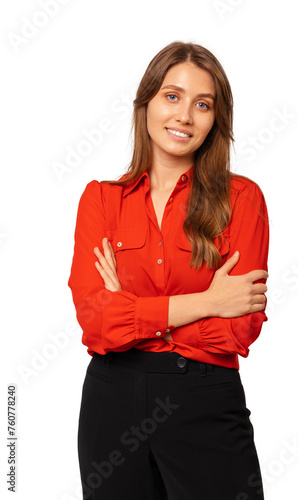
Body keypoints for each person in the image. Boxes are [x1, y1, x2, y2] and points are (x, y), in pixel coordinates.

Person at [68, 40, 269, 500]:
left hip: (205, 402)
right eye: (172, 96)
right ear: (146, 104)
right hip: (111, 403)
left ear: (216, 119)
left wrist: (133, 315)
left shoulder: (242, 201)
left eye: (203, 104)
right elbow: (97, 322)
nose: (185, 116)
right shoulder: (101, 200)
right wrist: (207, 302)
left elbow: (238, 328)